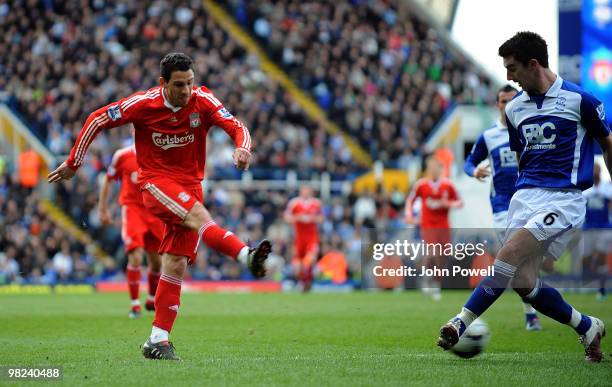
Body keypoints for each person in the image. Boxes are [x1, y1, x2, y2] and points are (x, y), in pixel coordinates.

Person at [48, 53, 271, 360]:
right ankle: (245, 256)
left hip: (191, 185)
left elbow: (236, 126)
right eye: (179, 85)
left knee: (176, 263)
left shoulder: (203, 100)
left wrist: (242, 148)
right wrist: (74, 162)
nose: (186, 90)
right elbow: (98, 118)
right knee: (199, 217)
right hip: (155, 183)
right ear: (163, 83)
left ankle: (157, 340)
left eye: (190, 83)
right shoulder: (144, 104)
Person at [437, 31, 611, 363]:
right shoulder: (515, 109)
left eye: (513, 68)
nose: (508, 77)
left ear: (534, 65)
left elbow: (608, 143)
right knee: (523, 281)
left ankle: (460, 321)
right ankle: (587, 325)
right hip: (524, 197)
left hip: (563, 199)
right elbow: (523, 157)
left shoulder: (581, 101)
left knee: (509, 253)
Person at [464, 84, 542, 331]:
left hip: (529, 202)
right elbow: (469, 161)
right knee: (514, 259)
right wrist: (474, 170)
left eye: (511, 100)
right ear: (497, 105)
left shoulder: (528, 131)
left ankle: (534, 308)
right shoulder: (489, 136)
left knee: (529, 262)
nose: (507, 105)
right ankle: (530, 313)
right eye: (502, 101)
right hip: (501, 206)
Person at [98, 144, 164, 318]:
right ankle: (135, 305)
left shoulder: (161, 151)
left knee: (156, 261)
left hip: (154, 210)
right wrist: (103, 208)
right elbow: (108, 179)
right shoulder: (122, 155)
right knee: (135, 255)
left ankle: (151, 299)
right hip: (133, 208)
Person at [405, 156, 463, 301]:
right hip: (428, 224)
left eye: (435, 167)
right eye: (430, 167)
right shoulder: (421, 185)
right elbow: (410, 200)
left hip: (443, 224)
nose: (433, 169)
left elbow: (459, 202)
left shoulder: (448, 185)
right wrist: (409, 216)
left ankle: (434, 279)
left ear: (440, 168)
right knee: (433, 251)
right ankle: (429, 278)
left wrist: (448, 204)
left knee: (443, 255)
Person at [581, 162, 612, 301]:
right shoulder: (586, 188)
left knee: (600, 259)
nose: (595, 171)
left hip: (604, 227)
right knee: (586, 260)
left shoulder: (607, 187)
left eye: (597, 169)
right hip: (588, 228)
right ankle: (588, 283)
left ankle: (602, 289)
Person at [284, 185, 323, 292]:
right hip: (299, 238)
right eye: (304, 190)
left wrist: (311, 218)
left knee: (309, 260)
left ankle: (307, 282)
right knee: (297, 266)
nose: (305, 192)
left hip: (312, 237)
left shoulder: (316, 203)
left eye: (307, 190)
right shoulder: (294, 203)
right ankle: (303, 282)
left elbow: (321, 218)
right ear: (301, 191)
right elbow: (286, 217)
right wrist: (298, 217)